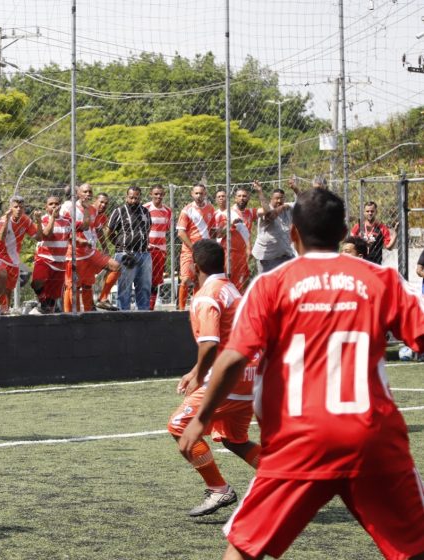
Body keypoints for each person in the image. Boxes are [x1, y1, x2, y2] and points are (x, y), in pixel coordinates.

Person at [179, 188, 424, 560]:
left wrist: (201, 418)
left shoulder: (270, 285)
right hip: (372, 438)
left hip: (298, 440)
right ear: (344, 233)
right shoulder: (382, 279)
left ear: (293, 233)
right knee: (415, 547)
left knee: (243, 549)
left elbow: (233, 358)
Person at [168, 239, 261, 517]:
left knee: (179, 427)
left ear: (194, 266)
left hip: (229, 379)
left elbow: (209, 343)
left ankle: (219, 489)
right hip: (250, 375)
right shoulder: (231, 287)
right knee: (234, 439)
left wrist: (197, 375)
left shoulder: (208, 295)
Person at [62, 184, 120, 312]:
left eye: (90, 192)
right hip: (74, 253)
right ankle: (69, 314)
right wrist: (78, 240)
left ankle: (102, 300)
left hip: (90, 252)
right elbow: (65, 230)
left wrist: (104, 247)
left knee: (114, 267)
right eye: (85, 191)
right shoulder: (70, 209)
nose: (88, 194)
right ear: (78, 194)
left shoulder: (93, 210)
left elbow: (96, 230)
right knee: (73, 286)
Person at [0, 195, 43, 314]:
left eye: (21, 207)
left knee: (9, 288)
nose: (18, 209)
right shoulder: (4, 220)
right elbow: (0, 237)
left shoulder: (26, 220)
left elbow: (39, 238)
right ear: (10, 208)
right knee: (2, 275)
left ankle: (5, 309)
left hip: (13, 258)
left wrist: (38, 221)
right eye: (16, 207)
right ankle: (1, 306)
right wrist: (7, 219)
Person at [102, 186, 152, 311]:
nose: (134, 201)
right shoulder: (119, 211)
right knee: (125, 287)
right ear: (126, 197)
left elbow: (147, 229)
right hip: (126, 254)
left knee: (145, 286)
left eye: (136, 198)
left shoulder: (145, 212)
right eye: (131, 198)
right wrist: (119, 245)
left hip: (143, 254)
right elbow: (109, 231)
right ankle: (124, 313)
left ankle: (144, 313)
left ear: (140, 197)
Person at [176, 184, 217, 310]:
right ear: (192, 194)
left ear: (205, 194)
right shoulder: (187, 210)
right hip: (190, 251)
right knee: (186, 279)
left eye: (201, 193)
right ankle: (181, 310)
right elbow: (181, 232)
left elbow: (213, 230)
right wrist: (193, 247)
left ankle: (197, 308)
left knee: (201, 280)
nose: (199, 196)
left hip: (205, 251)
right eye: (196, 193)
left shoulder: (210, 209)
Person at [31, 194, 71, 314]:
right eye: (51, 204)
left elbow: (76, 233)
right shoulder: (43, 219)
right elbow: (46, 234)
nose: (54, 206)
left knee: (53, 297)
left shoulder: (68, 221)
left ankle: (47, 310)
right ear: (46, 207)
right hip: (45, 258)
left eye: (56, 204)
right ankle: (42, 302)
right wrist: (53, 218)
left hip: (60, 262)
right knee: (37, 282)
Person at [217, 184, 260, 293]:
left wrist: (259, 191)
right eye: (239, 196)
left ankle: (241, 306)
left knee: (243, 282)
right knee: (228, 281)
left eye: (244, 196)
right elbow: (219, 234)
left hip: (244, 253)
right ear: (235, 198)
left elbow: (267, 210)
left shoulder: (250, 212)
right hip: (229, 252)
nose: (242, 198)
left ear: (248, 198)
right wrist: (231, 224)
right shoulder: (228, 213)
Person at [250, 186, 295, 274]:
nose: (279, 201)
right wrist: (260, 192)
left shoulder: (287, 207)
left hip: (285, 254)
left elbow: (300, 202)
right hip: (267, 257)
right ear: (271, 199)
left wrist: (295, 188)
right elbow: (270, 214)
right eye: (276, 198)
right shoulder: (265, 211)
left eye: (281, 198)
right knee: (267, 284)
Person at [144, 185, 173, 309]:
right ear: (151, 194)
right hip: (147, 249)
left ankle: (151, 307)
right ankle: (142, 306)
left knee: (156, 281)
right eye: (156, 194)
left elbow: (166, 228)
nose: (158, 196)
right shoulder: (145, 208)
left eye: (161, 194)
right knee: (144, 279)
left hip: (161, 250)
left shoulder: (168, 211)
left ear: (164, 195)